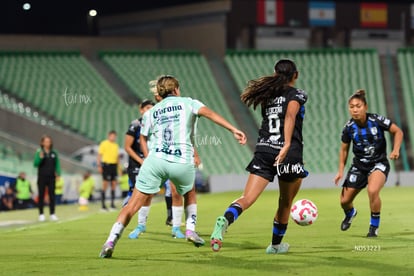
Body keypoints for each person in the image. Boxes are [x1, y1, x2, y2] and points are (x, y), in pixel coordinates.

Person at [99, 75, 246, 258]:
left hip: (156, 160)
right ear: (176, 89)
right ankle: (191, 230)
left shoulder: (151, 112)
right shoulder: (188, 103)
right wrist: (233, 129)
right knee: (189, 192)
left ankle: (111, 240)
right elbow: (210, 114)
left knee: (132, 205)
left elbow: (144, 137)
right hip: (181, 161)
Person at [210, 59, 308, 254]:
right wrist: (287, 143)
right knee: (285, 202)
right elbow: (290, 116)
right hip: (288, 154)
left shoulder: (267, 95)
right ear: (295, 75)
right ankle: (275, 246)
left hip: (264, 149)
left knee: (247, 197)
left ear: (274, 73)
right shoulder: (296, 94)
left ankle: (226, 219)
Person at [334, 89, 403, 237]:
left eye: (358, 106)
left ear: (365, 106)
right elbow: (344, 150)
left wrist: (396, 149)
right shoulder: (348, 128)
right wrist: (340, 170)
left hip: (378, 163)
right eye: (351, 106)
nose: (355, 109)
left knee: (372, 191)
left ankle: (373, 227)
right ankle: (351, 213)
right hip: (359, 166)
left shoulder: (377, 120)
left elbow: (398, 131)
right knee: (344, 201)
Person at [34, 134, 61, 221]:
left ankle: (52, 213)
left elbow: (57, 164)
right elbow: (35, 164)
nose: (47, 143)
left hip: (51, 177)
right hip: (42, 177)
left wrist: (58, 173)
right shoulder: (39, 152)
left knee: (52, 195)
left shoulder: (54, 153)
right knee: (41, 195)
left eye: (49, 141)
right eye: (45, 141)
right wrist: (40, 158)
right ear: (42, 143)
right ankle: (41, 214)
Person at [97, 130, 120, 211]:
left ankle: (112, 205)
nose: (113, 137)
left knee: (113, 184)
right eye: (112, 136)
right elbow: (99, 155)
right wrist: (99, 166)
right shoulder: (104, 143)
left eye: (114, 136)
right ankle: (103, 206)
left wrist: (119, 168)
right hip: (106, 165)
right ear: (109, 136)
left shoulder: (116, 145)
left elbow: (117, 158)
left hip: (114, 166)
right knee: (105, 185)